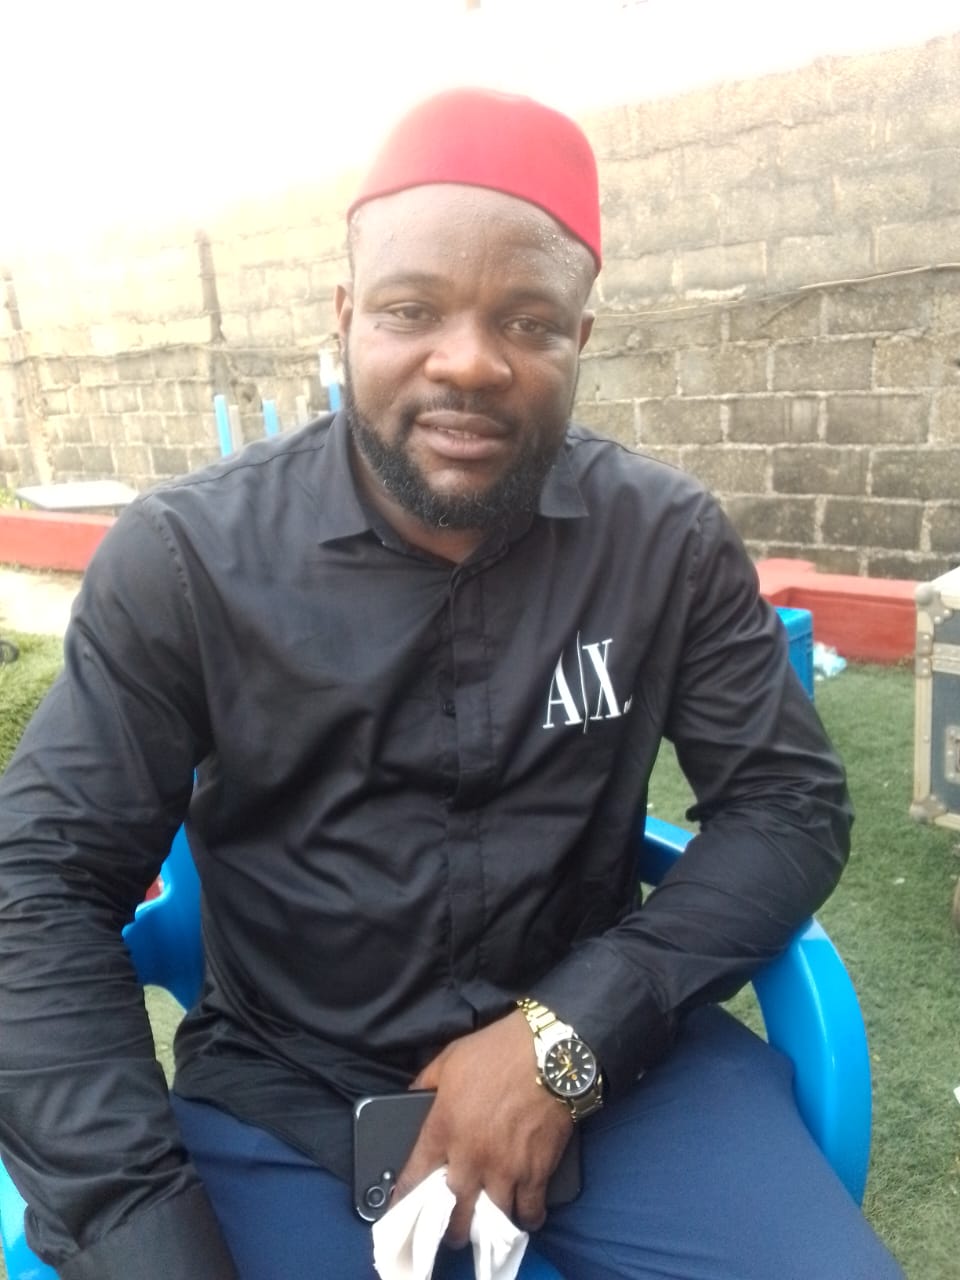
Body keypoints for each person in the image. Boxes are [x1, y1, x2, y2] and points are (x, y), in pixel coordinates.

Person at [0, 88, 903, 1280]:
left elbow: (788, 806)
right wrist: (145, 1235)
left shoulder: (662, 540)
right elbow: (38, 887)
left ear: (580, 335)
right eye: (411, 309)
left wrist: (567, 1038)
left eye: (527, 319)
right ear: (345, 317)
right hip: (290, 1096)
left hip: (618, 1074)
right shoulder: (188, 559)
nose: (469, 360)